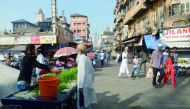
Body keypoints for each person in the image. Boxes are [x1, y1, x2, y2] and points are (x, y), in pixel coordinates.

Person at [76, 44, 97, 109]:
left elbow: (82, 73)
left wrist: (81, 86)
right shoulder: (87, 58)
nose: (76, 51)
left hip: (83, 84)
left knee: (83, 103)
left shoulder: (82, 59)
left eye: (77, 49)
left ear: (79, 50)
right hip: (88, 82)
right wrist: (91, 81)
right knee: (87, 102)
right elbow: (92, 72)